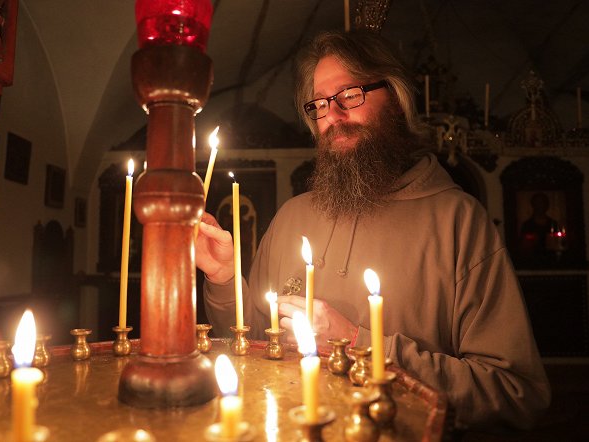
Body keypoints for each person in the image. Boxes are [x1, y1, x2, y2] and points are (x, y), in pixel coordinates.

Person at [195, 30, 550, 431]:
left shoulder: (459, 222)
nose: (334, 117)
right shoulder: (291, 218)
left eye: (349, 95)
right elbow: (254, 350)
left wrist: (360, 344)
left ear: (396, 100)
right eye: (320, 105)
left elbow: (515, 393)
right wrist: (224, 279)